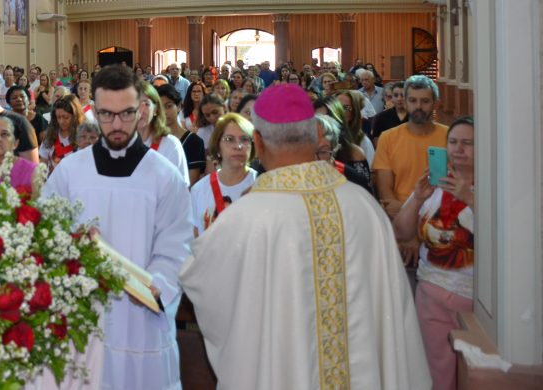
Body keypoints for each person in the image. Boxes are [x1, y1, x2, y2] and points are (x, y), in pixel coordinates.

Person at [180, 84, 431, 390]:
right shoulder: (363, 207)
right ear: (315, 134)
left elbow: (198, 280)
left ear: (257, 140)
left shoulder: (246, 217)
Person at [41, 65, 193, 390]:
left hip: (141, 320)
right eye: (107, 115)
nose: (117, 124)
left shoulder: (164, 176)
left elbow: (177, 246)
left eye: (125, 114)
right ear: (94, 111)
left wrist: (158, 285)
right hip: (82, 316)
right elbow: (45, 235)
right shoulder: (70, 172)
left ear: (140, 111)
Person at [393, 117, 475, 390]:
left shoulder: (494, 187)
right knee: (435, 373)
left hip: (475, 299)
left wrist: (471, 198)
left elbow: (503, 237)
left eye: (467, 143)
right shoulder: (435, 186)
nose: (458, 149)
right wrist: (417, 198)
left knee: (471, 374)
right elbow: (402, 233)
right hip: (431, 292)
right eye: (452, 142)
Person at [373, 75, 448, 220]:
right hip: (401, 216)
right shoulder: (388, 138)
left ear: (435, 104)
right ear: (405, 103)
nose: (418, 106)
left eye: (425, 101)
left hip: (439, 216)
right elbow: (385, 190)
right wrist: (408, 212)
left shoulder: (449, 136)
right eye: (413, 100)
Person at [190, 113, 258, 235]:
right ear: (218, 147)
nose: (238, 146)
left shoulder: (261, 184)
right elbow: (196, 237)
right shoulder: (199, 190)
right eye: (229, 139)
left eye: (245, 139)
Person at [137, 81, 189, 185]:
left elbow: (181, 189)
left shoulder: (170, 144)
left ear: (156, 109)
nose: (141, 110)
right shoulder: (120, 145)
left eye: (146, 104)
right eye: (135, 104)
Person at [157, 84, 208, 186]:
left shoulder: (194, 142)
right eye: (160, 107)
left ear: (179, 106)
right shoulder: (151, 139)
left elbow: (190, 184)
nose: (165, 112)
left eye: (169, 106)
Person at [40, 94, 83, 171]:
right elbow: (42, 165)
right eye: (58, 117)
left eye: (66, 117)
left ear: (75, 116)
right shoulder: (49, 136)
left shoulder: (83, 137)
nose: (61, 121)